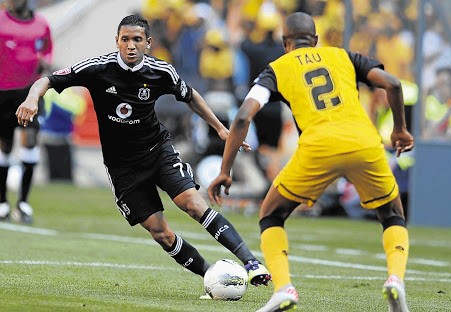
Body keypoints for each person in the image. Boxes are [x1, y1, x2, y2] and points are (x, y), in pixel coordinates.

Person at [15, 14, 270, 294]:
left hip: (157, 151)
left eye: (137, 39)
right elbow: (48, 80)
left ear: (148, 43)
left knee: (193, 204)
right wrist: (31, 98)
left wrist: (220, 129)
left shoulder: (161, 72)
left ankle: (251, 263)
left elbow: (191, 96)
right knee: (161, 233)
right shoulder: (98, 68)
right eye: (125, 39)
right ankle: (213, 277)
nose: (131, 45)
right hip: (123, 168)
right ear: (117, 42)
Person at [208, 12, 414, 312]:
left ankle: (283, 288)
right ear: (315, 41)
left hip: (319, 147)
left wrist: (225, 171)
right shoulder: (343, 55)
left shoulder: (278, 68)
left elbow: (242, 116)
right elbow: (393, 84)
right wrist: (400, 129)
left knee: (271, 215)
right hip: (364, 143)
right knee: (392, 213)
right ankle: (395, 279)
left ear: (284, 43)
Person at [0, 0, 53, 224]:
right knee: (6, 144)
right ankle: (2, 202)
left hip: (30, 91)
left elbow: (48, 50)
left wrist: (45, 62)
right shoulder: (1, 20)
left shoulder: (41, 24)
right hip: (3, 91)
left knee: (30, 138)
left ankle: (23, 202)